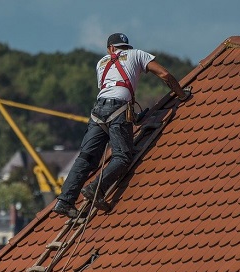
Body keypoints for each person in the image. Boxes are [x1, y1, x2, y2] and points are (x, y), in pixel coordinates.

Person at [52, 33, 191, 218]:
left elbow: (110, 89)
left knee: (86, 158)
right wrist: (181, 94)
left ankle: (64, 200)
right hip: (118, 109)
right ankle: (95, 189)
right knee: (123, 156)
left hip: (98, 112)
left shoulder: (101, 63)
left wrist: (131, 118)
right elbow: (164, 74)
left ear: (110, 48)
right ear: (124, 47)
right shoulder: (137, 54)